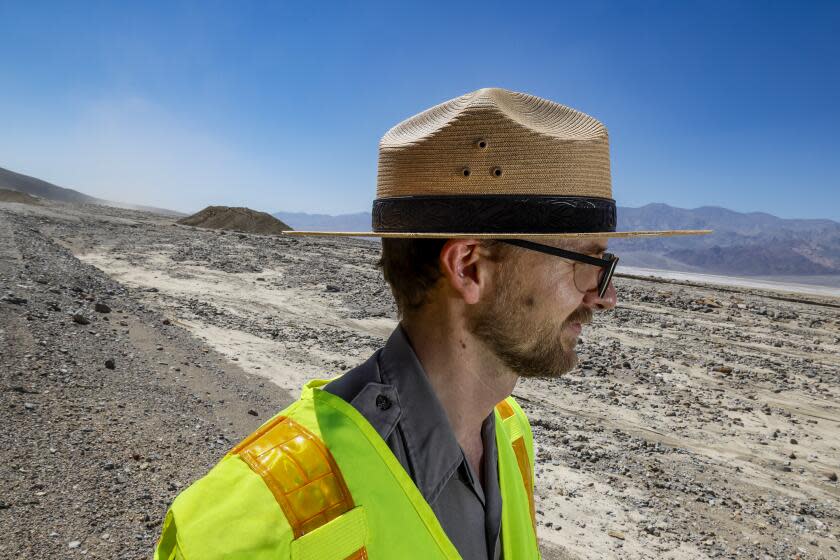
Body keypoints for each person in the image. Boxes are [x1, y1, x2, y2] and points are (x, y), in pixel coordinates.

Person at [154, 88, 708, 559]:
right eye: (587, 263)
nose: (604, 297)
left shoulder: (510, 433)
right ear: (470, 267)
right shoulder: (259, 518)